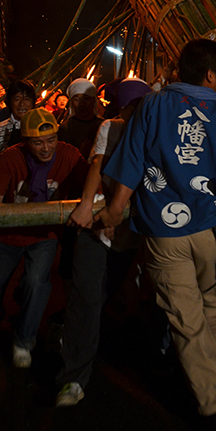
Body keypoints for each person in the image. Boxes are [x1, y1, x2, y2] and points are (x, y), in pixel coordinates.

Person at [94, 39, 216, 422]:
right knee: (214, 302)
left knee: (186, 317)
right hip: (211, 230)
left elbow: (132, 159)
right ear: (213, 74)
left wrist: (116, 208)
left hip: (163, 232)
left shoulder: (153, 104)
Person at [55, 77, 152, 407]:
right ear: (124, 107)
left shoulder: (157, 129)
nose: (142, 111)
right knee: (87, 298)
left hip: (130, 233)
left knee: (107, 294)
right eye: (137, 106)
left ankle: (87, 344)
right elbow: (97, 163)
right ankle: (73, 376)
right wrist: (86, 205)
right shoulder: (111, 127)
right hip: (97, 226)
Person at [0, 108, 88, 368]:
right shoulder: (11, 157)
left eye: (51, 140)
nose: (46, 148)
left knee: (37, 283)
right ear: (25, 142)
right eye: (38, 143)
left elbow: (90, 180)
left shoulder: (70, 154)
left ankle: (24, 340)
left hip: (45, 234)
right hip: (8, 235)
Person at [57, 78, 103, 159]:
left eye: (86, 98)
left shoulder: (103, 125)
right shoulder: (66, 128)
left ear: (93, 100)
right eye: (76, 99)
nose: (82, 104)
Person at [0, 79, 36, 150]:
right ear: (10, 102)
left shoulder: (43, 127)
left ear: (33, 102)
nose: (22, 104)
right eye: (17, 99)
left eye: (26, 99)